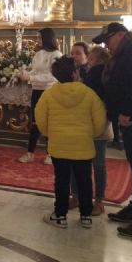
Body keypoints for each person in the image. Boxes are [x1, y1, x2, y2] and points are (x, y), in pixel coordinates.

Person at [93, 22, 132, 238]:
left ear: (121, 35)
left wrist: (129, 113)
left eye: (108, 40)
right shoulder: (128, 53)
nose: (107, 46)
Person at [36, 56, 106, 229]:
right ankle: (86, 216)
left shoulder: (49, 94)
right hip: (83, 145)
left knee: (61, 181)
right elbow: (100, 120)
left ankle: (60, 216)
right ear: (75, 73)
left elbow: (40, 118)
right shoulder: (89, 93)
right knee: (84, 180)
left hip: (59, 145)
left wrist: (50, 134)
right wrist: (90, 134)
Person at [69, 46, 113, 216]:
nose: (90, 62)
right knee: (92, 163)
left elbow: (87, 94)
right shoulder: (87, 72)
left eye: (91, 58)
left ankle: (97, 200)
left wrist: (78, 84)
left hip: (96, 123)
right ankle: (82, 197)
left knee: (96, 164)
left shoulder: (99, 73)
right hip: (88, 123)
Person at [17, 28, 62, 164]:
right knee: (35, 122)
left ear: (47, 38)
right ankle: (30, 153)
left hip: (49, 91)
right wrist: (25, 73)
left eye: (40, 38)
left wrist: (29, 77)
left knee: (49, 123)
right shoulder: (39, 54)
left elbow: (52, 76)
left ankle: (51, 153)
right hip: (36, 91)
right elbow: (35, 71)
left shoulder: (56, 55)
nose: (37, 41)